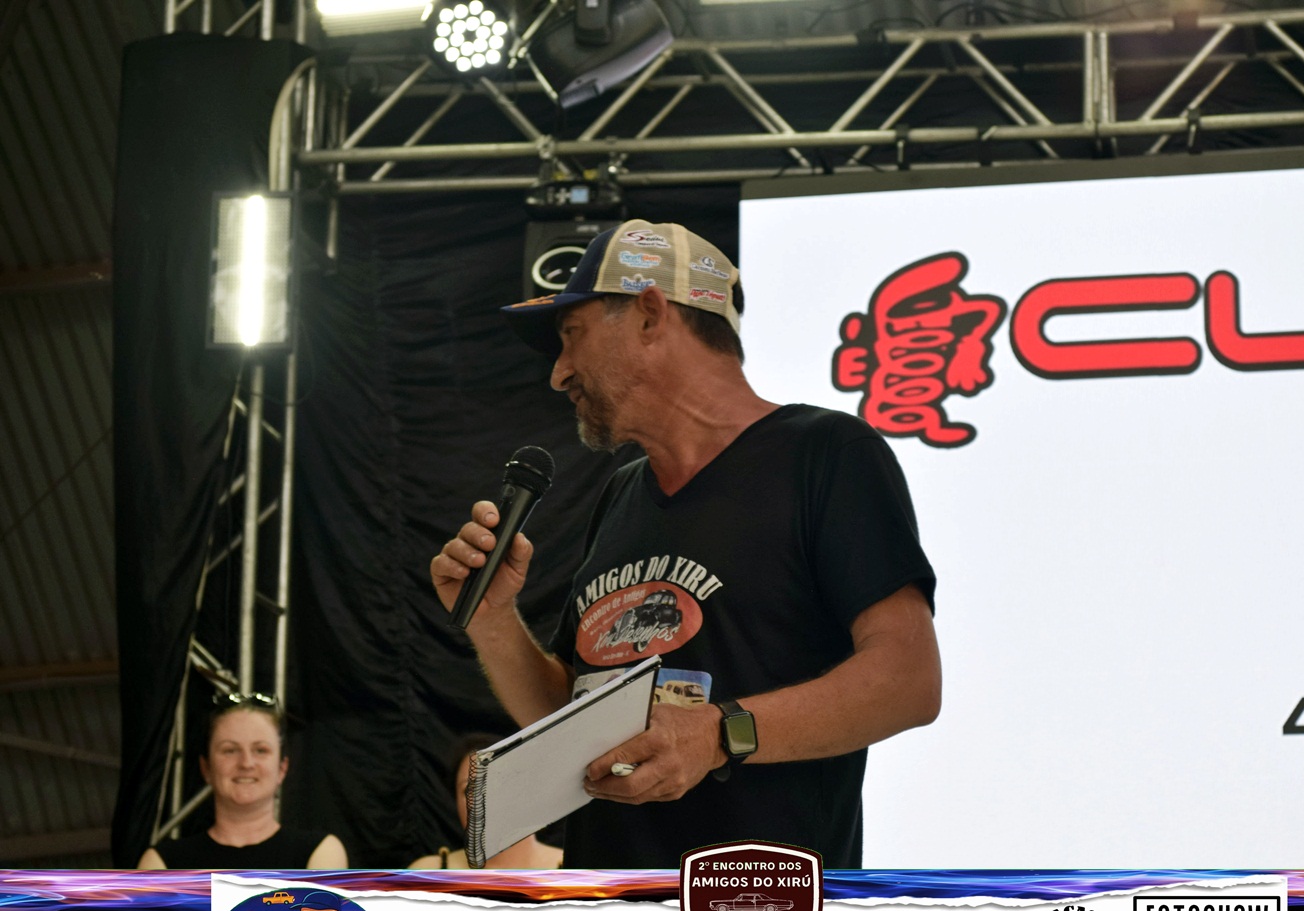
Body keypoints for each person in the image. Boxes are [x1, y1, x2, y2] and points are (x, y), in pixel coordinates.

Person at [430, 220, 941, 868]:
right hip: (606, 904)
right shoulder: (622, 493)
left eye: (572, 334)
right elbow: (570, 722)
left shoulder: (826, 454)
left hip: (758, 907)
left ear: (649, 314)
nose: (559, 373)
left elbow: (908, 679)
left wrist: (721, 734)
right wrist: (493, 618)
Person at [137, 693, 347, 869]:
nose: (246, 763)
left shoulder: (322, 852)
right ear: (206, 768)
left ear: (282, 768)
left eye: (260, 750)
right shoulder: (160, 862)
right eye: (230, 750)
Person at [408, 733, 563, 869]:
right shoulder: (427, 873)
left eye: (498, 784)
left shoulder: (572, 871)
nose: (482, 799)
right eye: (470, 789)